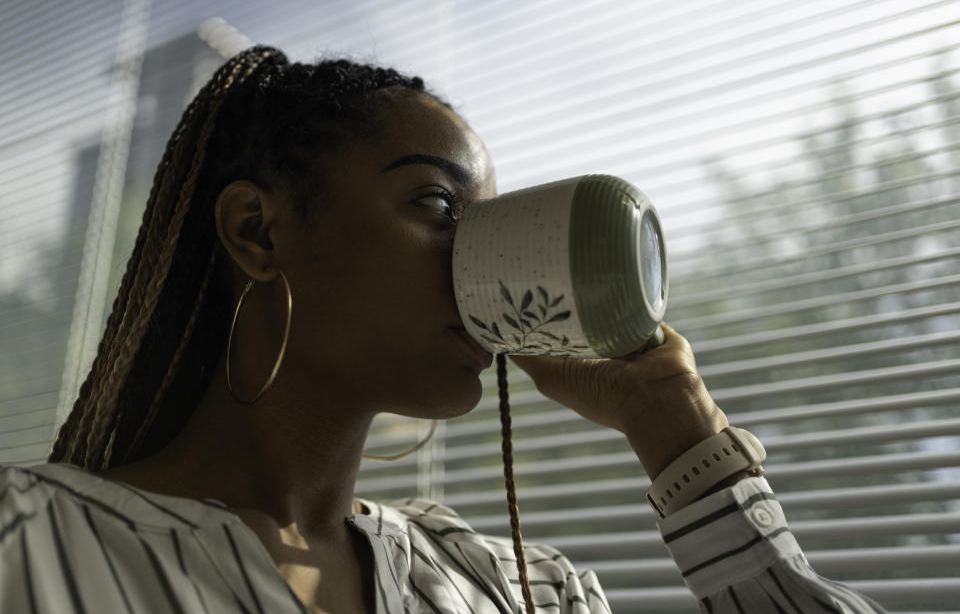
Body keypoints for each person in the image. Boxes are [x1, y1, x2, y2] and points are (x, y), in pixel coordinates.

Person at [0, 45, 887, 613]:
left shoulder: (519, 591)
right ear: (258, 232)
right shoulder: (25, 542)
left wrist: (674, 421)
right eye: (436, 204)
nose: (476, 261)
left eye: (492, 223)